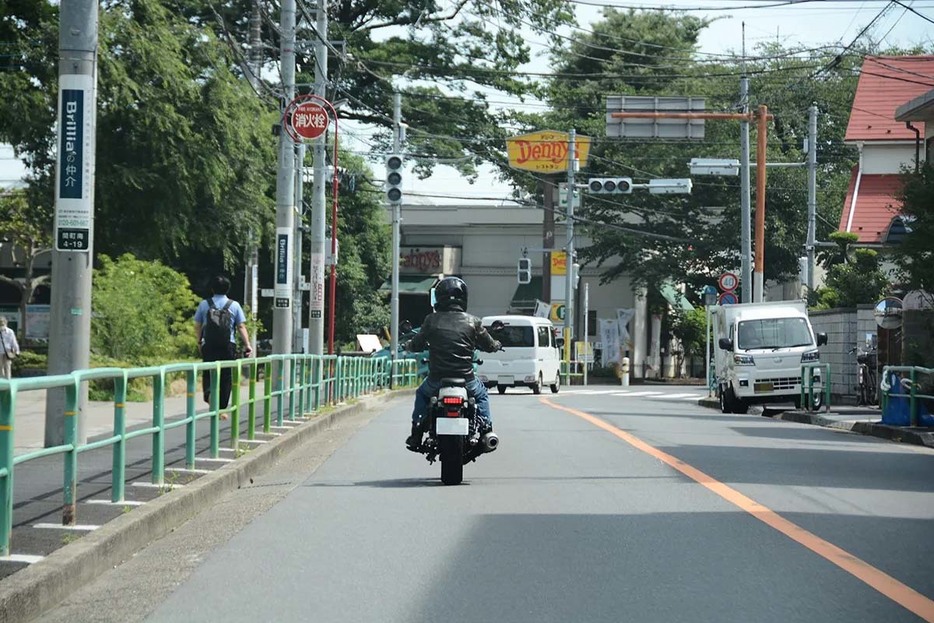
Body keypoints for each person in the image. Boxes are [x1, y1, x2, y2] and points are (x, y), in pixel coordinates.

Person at [403, 277, 502, 451]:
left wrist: (408, 345)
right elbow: (489, 344)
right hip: (466, 379)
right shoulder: (473, 321)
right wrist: (496, 345)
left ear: (439, 297)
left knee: (422, 394)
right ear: (464, 298)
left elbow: (416, 343)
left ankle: (416, 433)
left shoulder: (431, 320)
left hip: (437, 379)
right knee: (482, 395)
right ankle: (487, 431)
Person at [194, 275, 252, 409]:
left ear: (212, 289)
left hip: (209, 344)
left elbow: (197, 325)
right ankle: (222, 405)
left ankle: (208, 394)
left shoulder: (204, 304)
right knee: (226, 375)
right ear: (228, 289)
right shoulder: (234, 305)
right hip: (228, 345)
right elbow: (241, 326)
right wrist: (247, 345)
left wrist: (199, 341)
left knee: (208, 371)